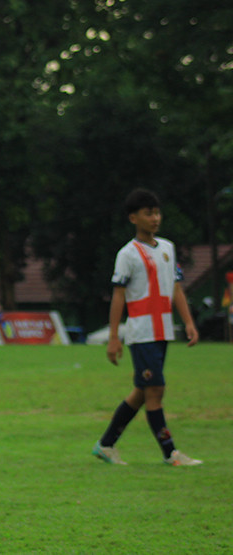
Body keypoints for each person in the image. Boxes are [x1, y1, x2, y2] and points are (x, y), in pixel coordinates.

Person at [92, 188, 202, 466]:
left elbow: (176, 288)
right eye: (148, 213)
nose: (155, 218)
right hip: (142, 333)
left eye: (157, 212)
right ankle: (171, 454)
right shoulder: (127, 254)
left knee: (142, 392)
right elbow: (118, 296)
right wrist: (114, 337)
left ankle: (105, 445)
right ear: (133, 218)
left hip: (164, 330)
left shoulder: (167, 248)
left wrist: (188, 322)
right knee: (156, 391)